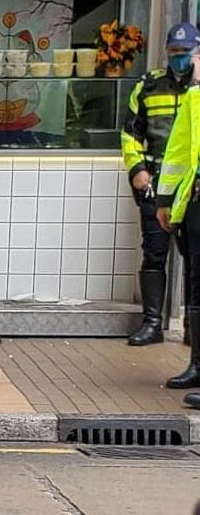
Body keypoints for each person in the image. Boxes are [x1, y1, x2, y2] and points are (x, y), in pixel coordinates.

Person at [121, 23, 198, 345]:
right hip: (155, 183)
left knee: (194, 261)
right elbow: (130, 132)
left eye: (186, 53)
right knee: (154, 252)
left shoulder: (197, 91)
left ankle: (193, 330)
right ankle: (152, 322)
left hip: (191, 188)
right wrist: (137, 169)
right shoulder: (149, 85)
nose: (179, 59)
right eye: (174, 52)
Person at [155, 24, 200, 408]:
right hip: (195, 203)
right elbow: (179, 152)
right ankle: (197, 365)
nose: (187, 61)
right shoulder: (194, 98)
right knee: (195, 285)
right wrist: (167, 200)